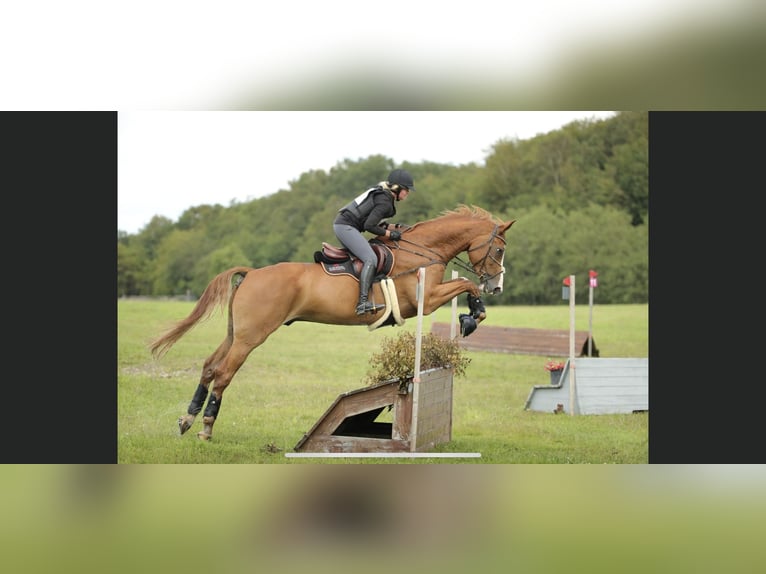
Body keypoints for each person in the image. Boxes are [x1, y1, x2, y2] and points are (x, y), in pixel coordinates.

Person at [333, 168, 415, 315]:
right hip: (345, 227)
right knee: (371, 258)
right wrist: (390, 234)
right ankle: (362, 303)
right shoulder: (384, 201)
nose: (407, 193)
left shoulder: (383, 195)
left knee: (365, 258)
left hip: (346, 225)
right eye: (406, 190)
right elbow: (369, 226)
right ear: (397, 188)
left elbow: (375, 223)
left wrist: (396, 228)